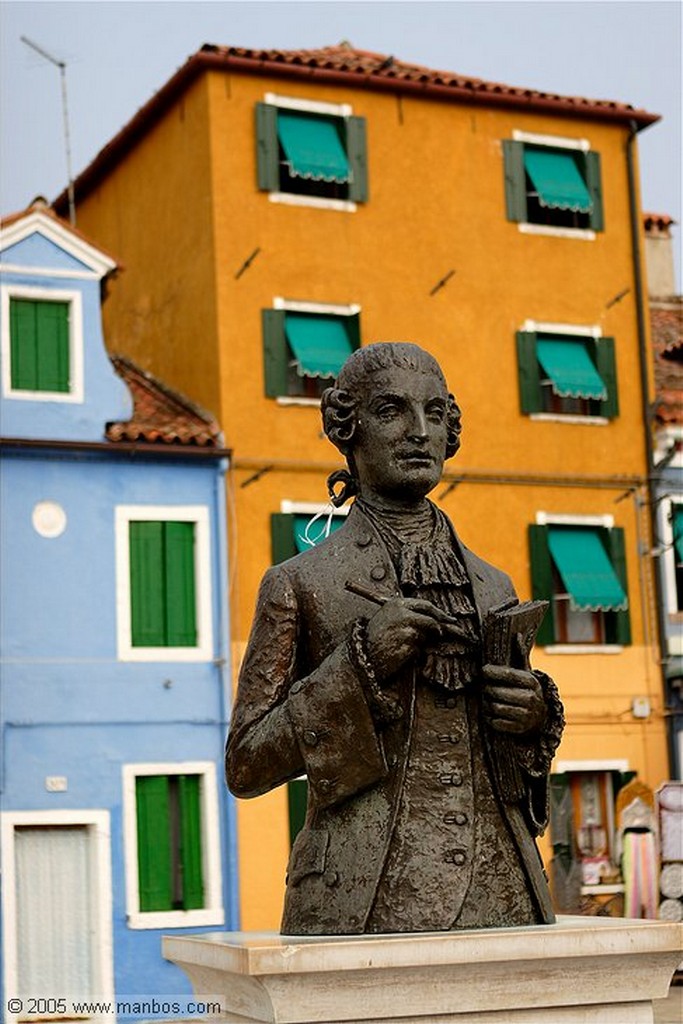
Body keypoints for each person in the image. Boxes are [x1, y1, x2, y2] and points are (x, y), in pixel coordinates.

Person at [226, 342, 564, 935]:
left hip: (503, 890)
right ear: (346, 428)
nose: (419, 432)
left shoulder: (494, 586)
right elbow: (246, 764)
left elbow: (513, 767)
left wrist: (531, 718)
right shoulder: (298, 584)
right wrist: (357, 668)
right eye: (392, 411)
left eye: (435, 414)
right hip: (363, 896)